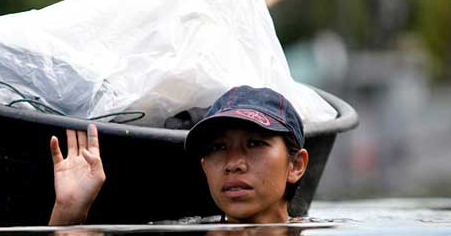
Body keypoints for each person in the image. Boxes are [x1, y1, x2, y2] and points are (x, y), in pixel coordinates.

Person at [48, 85, 309, 226]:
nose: (233, 164)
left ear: (296, 165)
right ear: (204, 165)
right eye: (218, 147)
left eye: (254, 143)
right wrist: (68, 211)